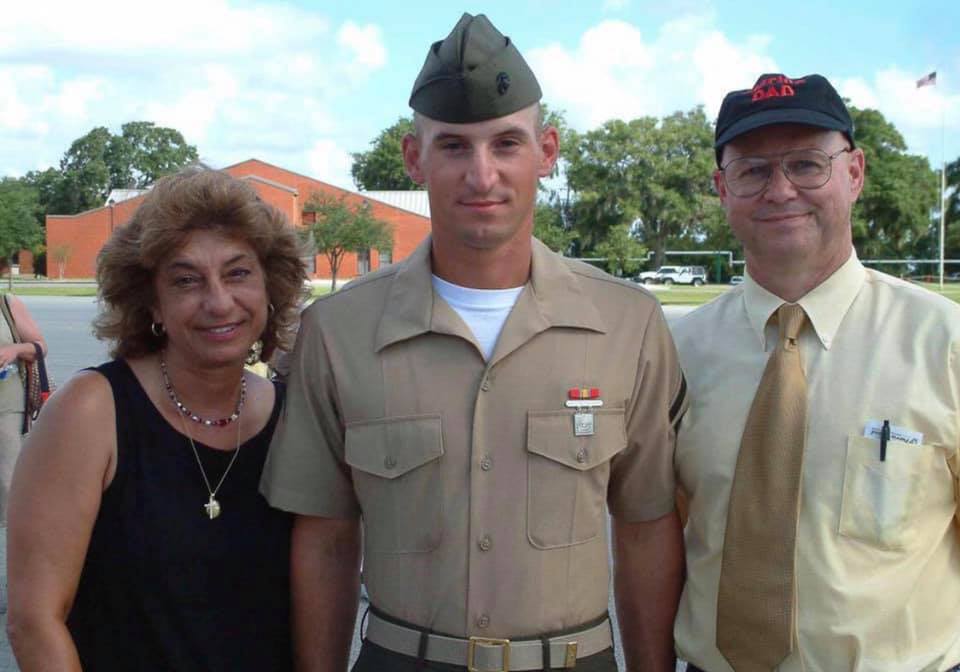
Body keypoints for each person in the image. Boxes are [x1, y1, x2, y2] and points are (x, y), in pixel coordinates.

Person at [261, 13, 688, 672]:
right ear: (415, 157)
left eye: (506, 144)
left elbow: (646, 526)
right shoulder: (339, 334)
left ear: (547, 152)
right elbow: (325, 538)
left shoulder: (627, 326)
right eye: (454, 146)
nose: (481, 175)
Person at [673, 73, 960, 672]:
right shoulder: (676, 354)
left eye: (807, 164)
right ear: (722, 189)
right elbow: (661, 533)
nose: (780, 190)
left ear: (854, 173)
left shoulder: (945, 345)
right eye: (753, 170)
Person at [6, 168, 307, 671]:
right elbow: (34, 621)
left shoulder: (293, 415)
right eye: (186, 280)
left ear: (270, 285)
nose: (218, 301)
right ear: (152, 303)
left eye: (238, 273)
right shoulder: (91, 411)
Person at [0, 258, 47, 523]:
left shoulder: (8, 305)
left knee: (9, 481)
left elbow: (40, 346)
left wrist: (14, 350)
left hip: (6, 403)